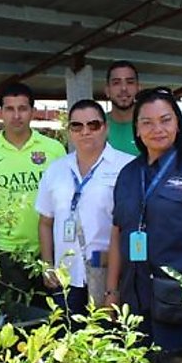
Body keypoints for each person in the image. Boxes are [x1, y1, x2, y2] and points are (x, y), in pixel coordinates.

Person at [104, 87, 182, 352]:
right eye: (146, 122)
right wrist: (111, 291)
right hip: (132, 297)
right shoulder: (128, 174)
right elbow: (117, 233)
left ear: (178, 124)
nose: (156, 129)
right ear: (137, 129)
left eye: (165, 120)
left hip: (178, 297)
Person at [0, 83, 66, 307]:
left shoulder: (54, 149)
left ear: (32, 111)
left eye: (22, 108)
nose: (16, 115)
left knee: (52, 322)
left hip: (48, 251)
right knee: (13, 322)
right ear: (1, 112)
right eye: (9, 109)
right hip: (7, 254)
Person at [36, 99, 133, 320]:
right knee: (68, 344)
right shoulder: (56, 169)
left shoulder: (127, 167)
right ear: (69, 131)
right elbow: (45, 221)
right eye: (77, 126)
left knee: (107, 343)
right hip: (65, 277)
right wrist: (47, 265)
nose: (85, 131)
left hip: (108, 276)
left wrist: (114, 288)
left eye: (93, 125)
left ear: (105, 127)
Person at [105, 61, 141, 156]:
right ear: (107, 90)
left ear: (138, 88)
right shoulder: (95, 127)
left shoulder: (151, 126)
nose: (124, 88)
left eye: (130, 82)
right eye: (116, 83)